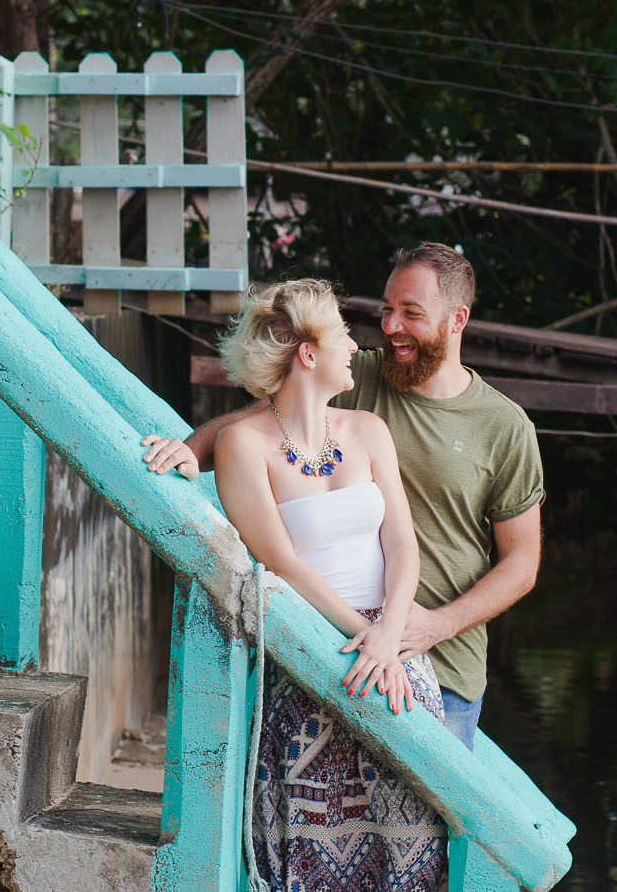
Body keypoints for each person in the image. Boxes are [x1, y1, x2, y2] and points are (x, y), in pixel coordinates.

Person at [145, 243, 543, 749]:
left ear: (457, 319)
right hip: (331, 645)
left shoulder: (505, 426)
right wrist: (189, 449)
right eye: (387, 309)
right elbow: (262, 419)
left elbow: (522, 563)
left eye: (411, 313)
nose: (391, 326)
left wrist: (431, 627)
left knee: (424, 821)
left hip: (442, 664)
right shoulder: (362, 380)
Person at [204, 278, 446, 892]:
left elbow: (402, 544)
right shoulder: (242, 444)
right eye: (342, 333)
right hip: (311, 639)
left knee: (413, 791)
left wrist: (389, 633)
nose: (354, 345)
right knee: (310, 839)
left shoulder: (368, 430)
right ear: (308, 354)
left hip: (388, 639)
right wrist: (361, 633)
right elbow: (280, 560)